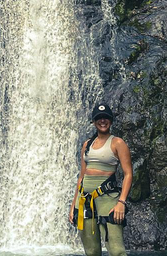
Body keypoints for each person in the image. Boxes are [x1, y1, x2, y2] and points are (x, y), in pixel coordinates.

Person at [69, 102, 133, 256]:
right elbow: (82, 176)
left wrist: (121, 202)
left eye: (105, 118)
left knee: (117, 251)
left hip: (108, 200)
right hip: (84, 201)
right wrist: (73, 206)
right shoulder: (87, 145)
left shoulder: (118, 143)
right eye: (99, 118)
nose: (102, 121)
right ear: (94, 121)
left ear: (110, 120)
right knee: (91, 252)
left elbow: (128, 174)